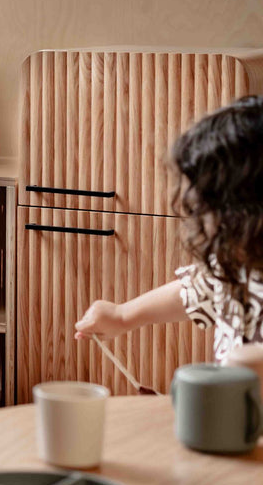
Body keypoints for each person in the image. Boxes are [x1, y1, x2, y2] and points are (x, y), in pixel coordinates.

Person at [75, 95, 263, 362]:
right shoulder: (238, 260)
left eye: (205, 203)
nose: (197, 213)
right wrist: (122, 315)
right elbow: (198, 289)